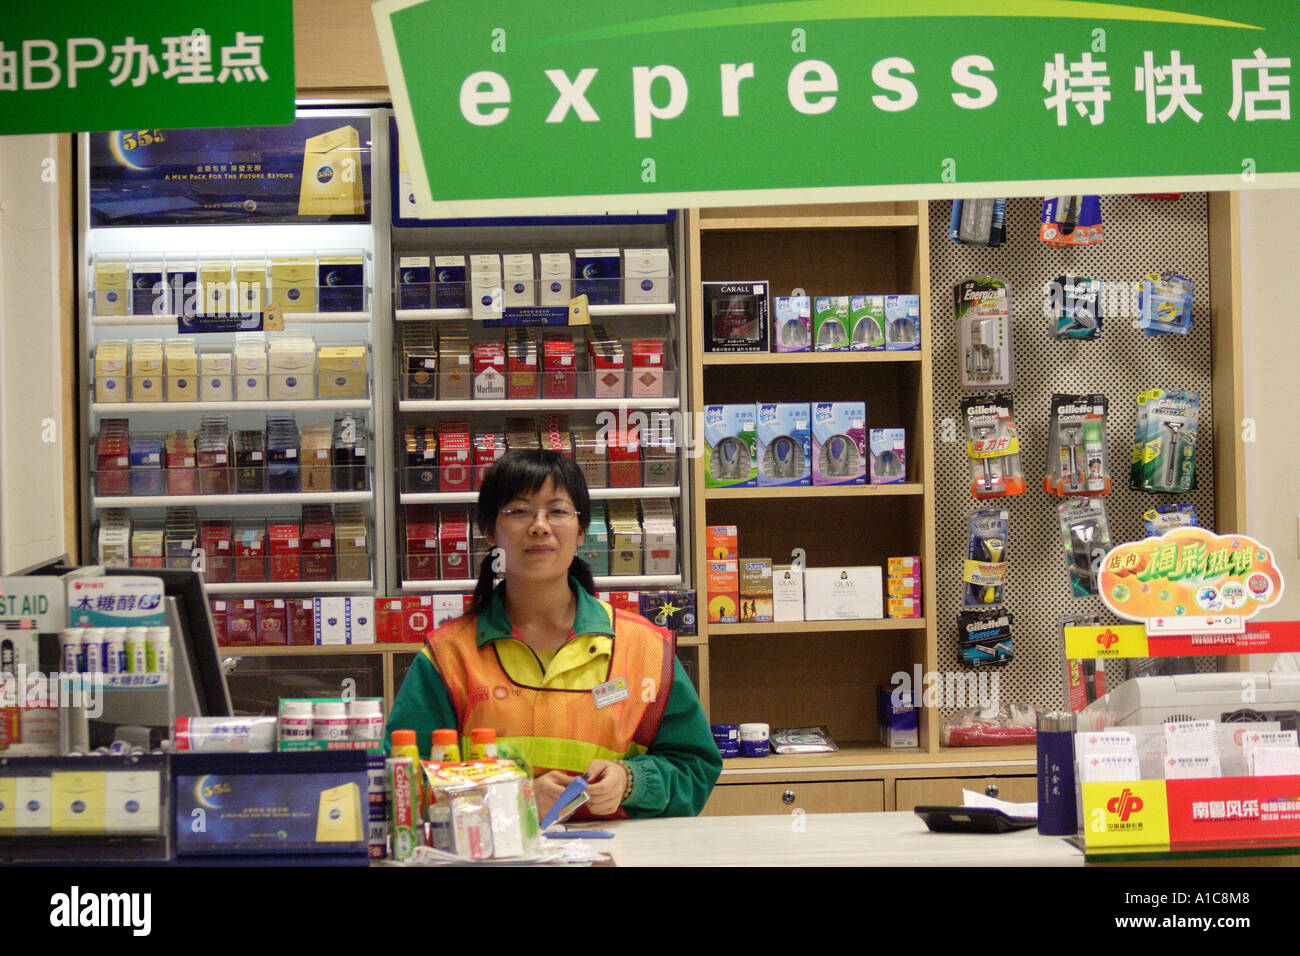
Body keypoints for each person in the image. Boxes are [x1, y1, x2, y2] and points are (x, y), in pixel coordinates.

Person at [387, 448, 721, 818]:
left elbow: (696, 769)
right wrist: (513, 800)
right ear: (488, 531)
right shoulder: (448, 655)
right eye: (518, 511)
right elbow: (404, 783)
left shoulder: (643, 646)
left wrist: (631, 780)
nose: (539, 525)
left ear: (581, 532)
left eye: (558, 511)